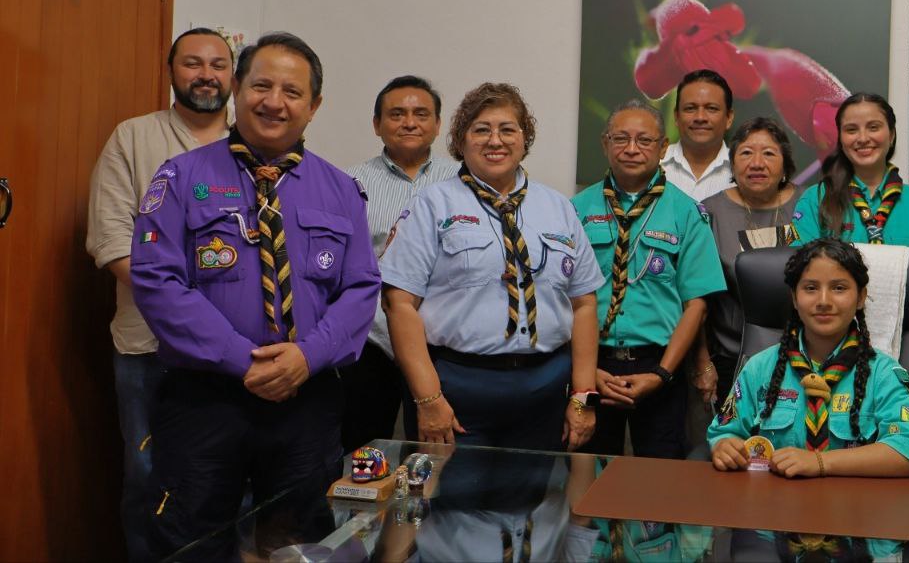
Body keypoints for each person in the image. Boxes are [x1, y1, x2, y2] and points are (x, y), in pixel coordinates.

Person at [130, 32, 380, 559]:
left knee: (299, 543)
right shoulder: (181, 177)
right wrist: (243, 360)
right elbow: (157, 279)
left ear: (314, 106)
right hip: (205, 400)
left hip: (306, 400)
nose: (274, 101)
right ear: (238, 90)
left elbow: (360, 289)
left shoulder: (341, 190)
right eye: (261, 86)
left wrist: (305, 358)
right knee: (190, 540)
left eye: (292, 91)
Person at [381, 82, 604, 452]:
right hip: (456, 391)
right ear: (461, 140)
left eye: (507, 129)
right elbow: (398, 304)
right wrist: (428, 399)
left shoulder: (559, 208)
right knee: (451, 489)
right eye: (481, 129)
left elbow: (584, 304)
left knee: (539, 489)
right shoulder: (433, 204)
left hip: (545, 392)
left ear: (524, 138)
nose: (495, 141)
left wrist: (583, 397)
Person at [86, 27, 234, 562]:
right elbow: (111, 241)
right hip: (150, 347)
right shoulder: (133, 138)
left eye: (218, 64)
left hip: (239, 349)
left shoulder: (255, 146)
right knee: (148, 475)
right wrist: (187, 307)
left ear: (234, 76)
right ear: (170, 72)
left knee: (232, 477)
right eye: (193, 63)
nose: (206, 75)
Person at [573, 100, 725, 459]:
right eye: (620, 138)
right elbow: (561, 297)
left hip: (660, 365)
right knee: (588, 468)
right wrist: (587, 372)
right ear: (605, 143)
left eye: (644, 140)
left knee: (660, 476)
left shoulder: (686, 212)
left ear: (662, 147)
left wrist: (661, 374)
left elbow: (697, 306)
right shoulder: (576, 209)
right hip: (591, 366)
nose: (631, 148)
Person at [708, 239, 909, 478]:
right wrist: (724, 446)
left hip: (857, 500)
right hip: (776, 498)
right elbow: (725, 432)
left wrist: (820, 462)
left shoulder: (883, 373)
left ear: (860, 297)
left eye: (839, 288)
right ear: (794, 298)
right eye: (811, 288)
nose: (824, 301)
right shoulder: (759, 368)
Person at [343, 75, 460, 451]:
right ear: (377, 124)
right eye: (396, 114)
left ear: (438, 124)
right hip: (372, 342)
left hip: (441, 343)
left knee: (435, 453)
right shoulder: (350, 183)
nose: (409, 122)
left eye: (421, 114)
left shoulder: (462, 180)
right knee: (363, 453)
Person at [699, 117, 800, 402]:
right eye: (746, 153)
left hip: (805, 355)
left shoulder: (809, 204)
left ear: (785, 164)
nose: (757, 163)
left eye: (768, 153)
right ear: (732, 164)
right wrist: (702, 363)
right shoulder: (710, 213)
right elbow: (697, 298)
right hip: (732, 357)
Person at [791, 93, 909, 258]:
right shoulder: (813, 200)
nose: (863, 138)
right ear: (840, 139)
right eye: (851, 130)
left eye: (873, 127)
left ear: (891, 135)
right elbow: (795, 263)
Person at [659, 69, 735, 201]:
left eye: (711, 108)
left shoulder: (744, 170)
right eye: (690, 108)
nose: (700, 117)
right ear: (676, 117)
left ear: (729, 118)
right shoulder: (654, 165)